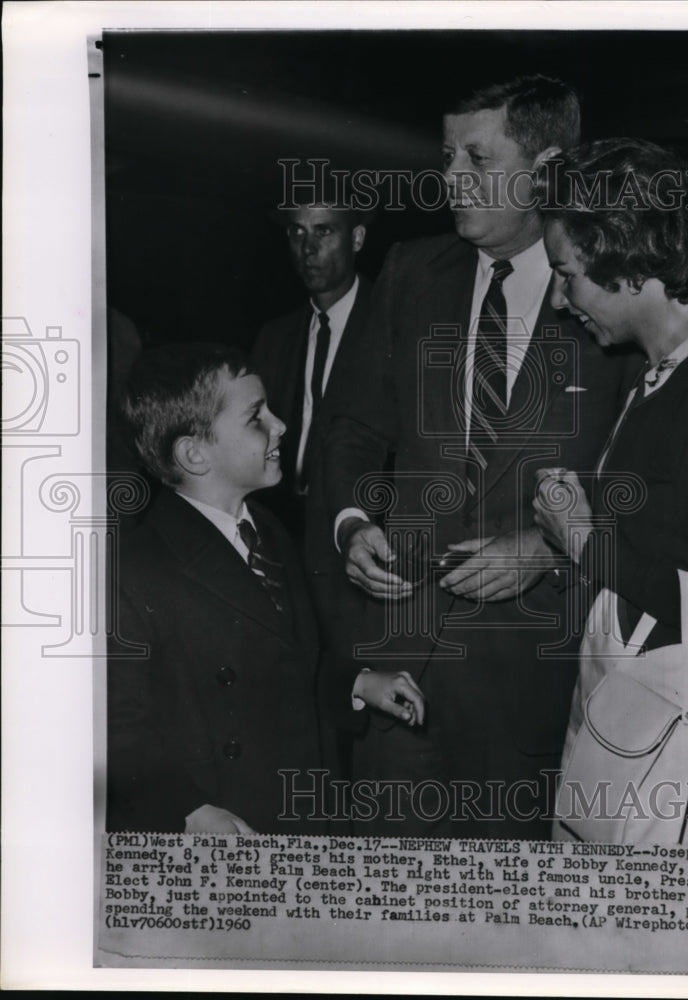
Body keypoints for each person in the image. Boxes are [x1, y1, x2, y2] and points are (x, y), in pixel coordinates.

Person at [324, 76, 635, 838]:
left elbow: (655, 485)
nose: (449, 179)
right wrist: (351, 524)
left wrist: (552, 548)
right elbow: (348, 433)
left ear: (546, 166)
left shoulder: (614, 294)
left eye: (476, 158)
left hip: (536, 688)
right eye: (445, 155)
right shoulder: (406, 275)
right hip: (399, 672)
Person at [532, 138, 688, 843]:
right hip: (628, 737)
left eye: (567, 274)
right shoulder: (658, 381)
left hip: (673, 763)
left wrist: (581, 541)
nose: (560, 298)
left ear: (628, 267)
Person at [107, 343, 424, 833]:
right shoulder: (136, 569)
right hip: (226, 821)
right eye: (257, 417)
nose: (280, 425)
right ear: (194, 453)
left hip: (301, 806)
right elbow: (117, 727)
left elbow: (290, 661)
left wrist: (355, 683)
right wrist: (186, 808)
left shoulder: (269, 530)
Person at [251, 197, 372, 660]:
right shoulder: (275, 336)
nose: (307, 247)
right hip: (284, 535)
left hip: (358, 541)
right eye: (296, 233)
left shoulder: (395, 322)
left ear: (357, 238)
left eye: (324, 231)